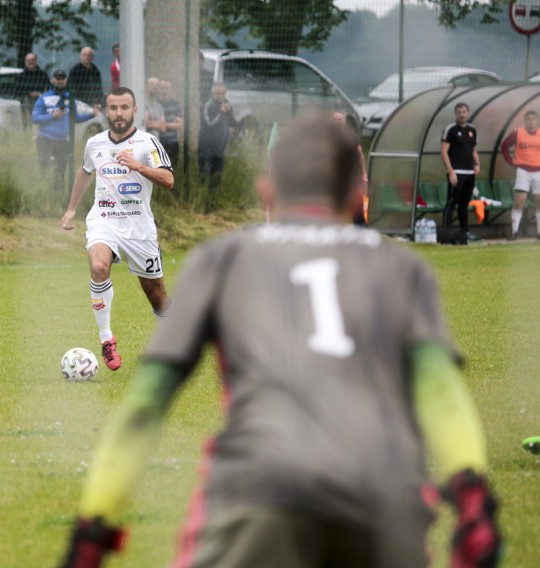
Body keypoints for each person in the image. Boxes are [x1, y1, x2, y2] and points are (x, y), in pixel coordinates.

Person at [60, 111, 502, 568]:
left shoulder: (224, 259)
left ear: (267, 192)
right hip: (384, 491)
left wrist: (94, 524)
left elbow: (145, 403)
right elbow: (441, 394)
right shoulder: (404, 270)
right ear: (355, 195)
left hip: (261, 487)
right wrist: (473, 500)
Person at [60, 86, 174, 371]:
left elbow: (168, 179)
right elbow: (86, 172)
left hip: (138, 228)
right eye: (114, 108)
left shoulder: (148, 143)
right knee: (99, 268)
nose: (119, 113)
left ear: (134, 111)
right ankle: (106, 339)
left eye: (125, 108)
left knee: (156, 295)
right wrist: (72, 208)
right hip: (104, 220)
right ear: (106, 111)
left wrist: (138, 166)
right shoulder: (95, 144)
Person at [32, 70, 98, 193]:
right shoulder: (44, 98)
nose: (60, 80)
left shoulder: (70, 97)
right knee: (43, 166)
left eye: (62, 78)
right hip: (45, 138)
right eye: (58, 78)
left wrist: (91, 114)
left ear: (66, 80)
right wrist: (52, 116)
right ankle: (41, 190)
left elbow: (75, 118)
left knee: (61, 168)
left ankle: (58, 193)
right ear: (53, 80)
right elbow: (35, 118)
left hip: (62, 140)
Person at [441, 102, 480, 240]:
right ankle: (446, 233)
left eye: (464, 112)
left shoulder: (472, 130)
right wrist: (451, 172)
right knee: (451, 202)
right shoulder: (450, 129)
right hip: (456, 172)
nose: (462, 115)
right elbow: (444, 151)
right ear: (456, 114)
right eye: (459, 112)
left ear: (468, 113)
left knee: (464, 205)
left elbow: (473, 149)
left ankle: (465, 232)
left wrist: (477, 164)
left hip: (469, 173)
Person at [499, 109, 540, 240]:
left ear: (537, 121)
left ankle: (539, 232)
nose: (531, 121)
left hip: (538, 171)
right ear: (525, 121)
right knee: (519, 200)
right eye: (528, 119)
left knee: (539, 201)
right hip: (523, 170)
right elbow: (504, 146)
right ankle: (515, 232)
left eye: (533, 119)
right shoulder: (517, 133)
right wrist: (510, 161)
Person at [198, 82, 238, 191]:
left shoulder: (227, 104)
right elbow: (209, 124)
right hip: (207, 147)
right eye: (218, 93)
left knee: (217, 176)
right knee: (204, 175)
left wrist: (241, 123)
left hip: (220, 148)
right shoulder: (208, 105)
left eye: (223, 93)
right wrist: (221, 112)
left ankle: (214, 201)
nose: (220, 96)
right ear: (212, 93)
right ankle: (201, 199)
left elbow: (232, 122)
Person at [333, 111, 369, 225]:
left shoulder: (351, 135)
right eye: (335, 120)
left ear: (345, 122)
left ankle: (359, 226)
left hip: (351, 176)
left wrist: (364, 173)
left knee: (359, 202)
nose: (338, 122)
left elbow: (359, 154)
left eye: (340, 120)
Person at [15, 53, 50, 129]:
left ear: (36, 61)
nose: (30, 62)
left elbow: (48, 89)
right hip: (25, 103)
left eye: (32, 60)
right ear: (25, 62)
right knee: (27, 124)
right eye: (28, 60)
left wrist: (39, 94)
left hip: (41, 103)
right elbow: (16, 91)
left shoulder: (43, 75)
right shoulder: (20, 76)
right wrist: (29, 93)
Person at [159, 79, 184, 168]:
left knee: (173, 169)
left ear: (171, 90)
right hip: (158, 142)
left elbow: (180, 126)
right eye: (162, 88)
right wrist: (172, 123)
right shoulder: (156, 103)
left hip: (172, 142)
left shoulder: (176, 103)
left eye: (167, 88)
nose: (164, 91)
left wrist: (163, 124)